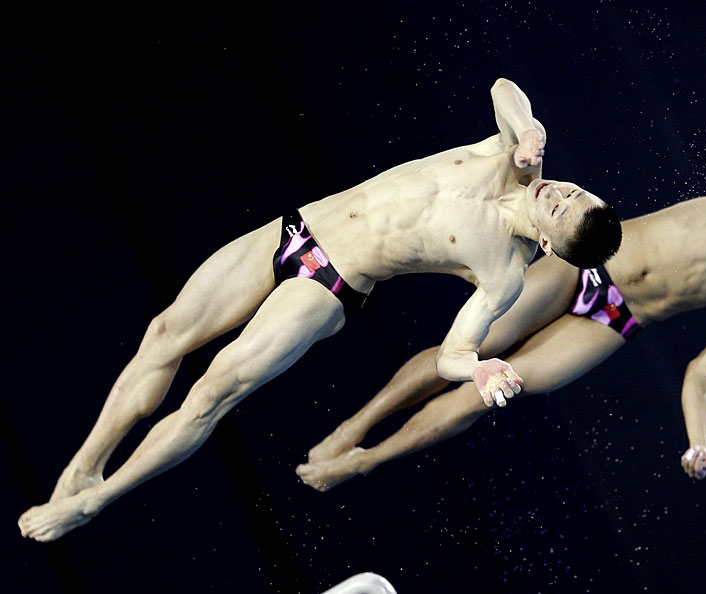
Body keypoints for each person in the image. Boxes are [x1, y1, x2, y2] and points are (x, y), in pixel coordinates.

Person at [17, 78, 622, 542]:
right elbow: (502, 88)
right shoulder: (517, 159)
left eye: (560, 208)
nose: (556, 192)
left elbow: (451, 356)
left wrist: (479, 369)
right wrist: (528, 124)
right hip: (297, 228)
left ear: (550, 244)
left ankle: (96, 501)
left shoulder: (505, 271)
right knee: (165, 332)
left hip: (329, 285)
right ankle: (86, 467)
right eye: (572, 190)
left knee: (210, 393)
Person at [298, 168, 706, 491]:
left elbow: (705, 371)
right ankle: (356, 424)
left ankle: (364, 461)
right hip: (587, 264)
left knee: (487, 392)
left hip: (616, 319)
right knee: (475, 347)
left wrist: (701, 443)